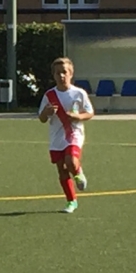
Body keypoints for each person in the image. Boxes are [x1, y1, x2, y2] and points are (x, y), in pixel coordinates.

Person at [38, 57, 93, 213]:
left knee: (71, 161)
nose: (61, 76)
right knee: (62, 169)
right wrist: (46, 112)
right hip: (56, 137)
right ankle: (71, 201)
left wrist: (77, 117)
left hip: (74, 134)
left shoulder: (79, 93)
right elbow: (42, 118)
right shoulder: (49, 95)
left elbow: (89, 112)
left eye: (64, 72)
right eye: (58, 73)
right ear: (54, 75)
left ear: (71, 73)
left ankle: (78, 171)